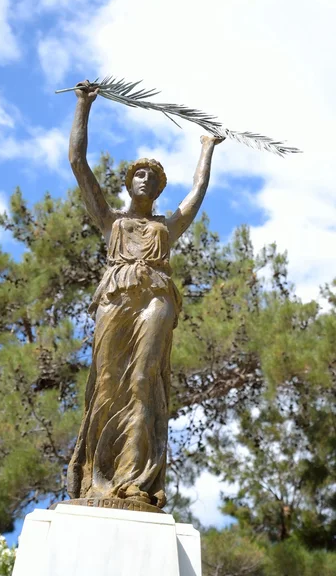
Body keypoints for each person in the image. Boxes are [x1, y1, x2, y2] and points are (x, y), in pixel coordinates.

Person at [67, 80, 224, 510]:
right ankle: (96, 481)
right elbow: (78, 162)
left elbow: (197, 193)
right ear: (128, 181)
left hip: (156, 298)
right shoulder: (111, 221)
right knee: (104, 383)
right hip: (116, 298)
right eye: (139, 173)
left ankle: (135, 480)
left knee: (142, 381)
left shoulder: (164, 229)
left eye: (153, 177)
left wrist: (208, 146)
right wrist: (84, 105)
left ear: (158, 189)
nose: (145, 179)